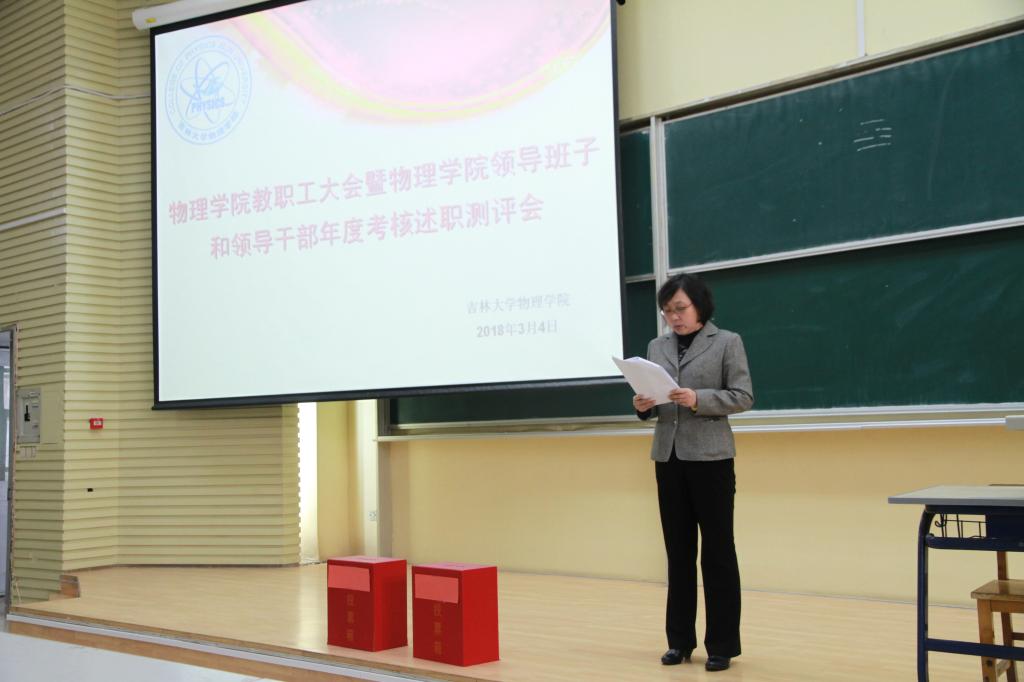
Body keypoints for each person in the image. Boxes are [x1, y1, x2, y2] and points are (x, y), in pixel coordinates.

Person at [632, 273, 754, 673]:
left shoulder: (727, 342)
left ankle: (722, 645)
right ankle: (679, 642)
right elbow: (655, 402)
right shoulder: (657, 347)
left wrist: (697, 398)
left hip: (711, 459)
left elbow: (743, 396)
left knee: (718, 552)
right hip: (669, 459)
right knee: (678, 553)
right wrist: (644, 405)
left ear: (700, 305)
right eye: (667, 311)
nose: (674, 317)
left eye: (680, 308)